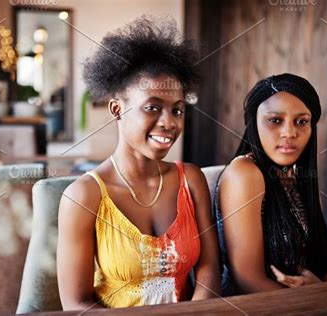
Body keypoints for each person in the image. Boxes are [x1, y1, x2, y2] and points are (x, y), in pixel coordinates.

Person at [57, 17, 221, 310]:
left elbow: (209, 271)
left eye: (178, 110)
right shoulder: (84, 197)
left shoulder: (191, 180)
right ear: (117, 109)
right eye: (153, 107)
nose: (169, 123)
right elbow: (76, 304)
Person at [215, 73, 327, 295]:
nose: (290, 133)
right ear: (253, 123)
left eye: (301, 122)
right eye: (275, 120)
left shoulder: (299, 177)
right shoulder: (244, 174)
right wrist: (317, 297)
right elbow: (247, 280)